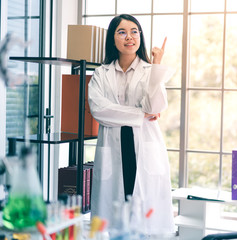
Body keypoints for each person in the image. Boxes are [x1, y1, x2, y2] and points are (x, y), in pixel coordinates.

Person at [88, 14, 175, 235]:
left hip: (144, 147)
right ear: (113, 39)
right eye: (122, 32)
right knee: (112, 222)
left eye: (134, 31)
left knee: (145, 222)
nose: (130, 37)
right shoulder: (101, 73)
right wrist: (140, 114)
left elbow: (156, 105)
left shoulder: (149, 71)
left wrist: (157, 66)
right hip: (113, 147)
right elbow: (99, 110)